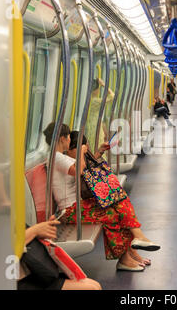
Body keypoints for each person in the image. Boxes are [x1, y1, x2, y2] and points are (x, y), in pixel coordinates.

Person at [43, 123, 160, 272]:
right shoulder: (56, 157)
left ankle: (133, 247)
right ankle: (128, 253)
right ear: (62, 139)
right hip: (70, 210)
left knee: (117, 199)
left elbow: (81, 168)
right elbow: (79, 170)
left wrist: (98, 152)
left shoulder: (58, 156)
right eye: (68, 138)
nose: (68, 141)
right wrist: (80, 151)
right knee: (112, 213)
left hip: (78, 205)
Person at [17, 216, 102, 290]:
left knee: (94, 285)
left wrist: (42, 231)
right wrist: (34, 231)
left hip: (30, 271)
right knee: (91, 288)